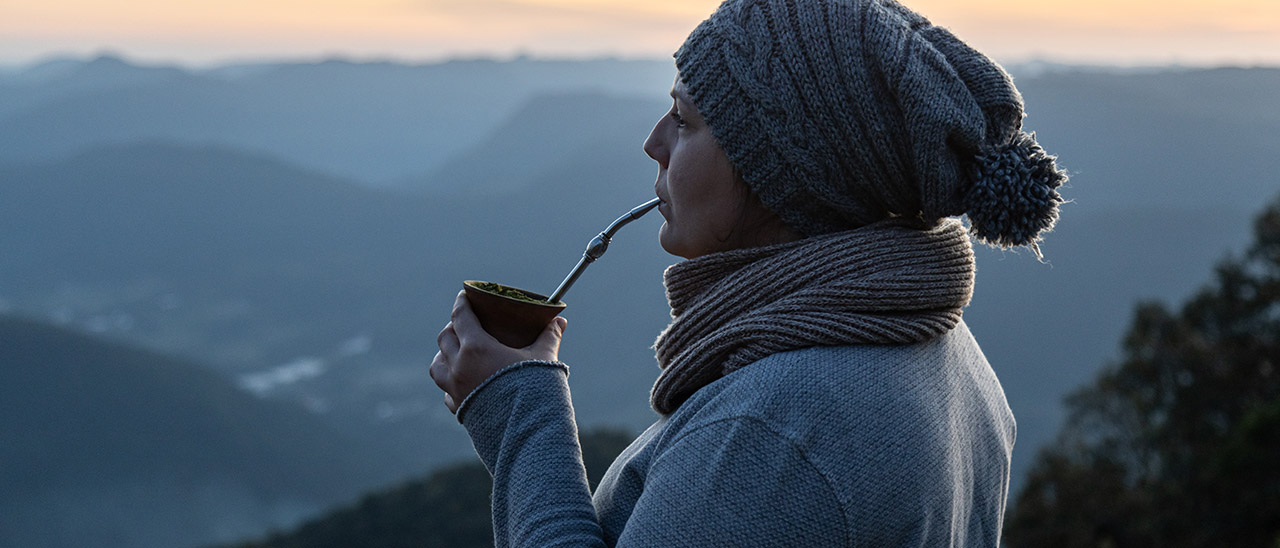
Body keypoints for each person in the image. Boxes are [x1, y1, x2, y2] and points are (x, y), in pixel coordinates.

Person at [430, 0, 1067, 545]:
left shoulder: (772, 433)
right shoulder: (948, 355)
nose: (653, 142)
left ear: (785, 172)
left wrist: (521, 413)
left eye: (685, 120)